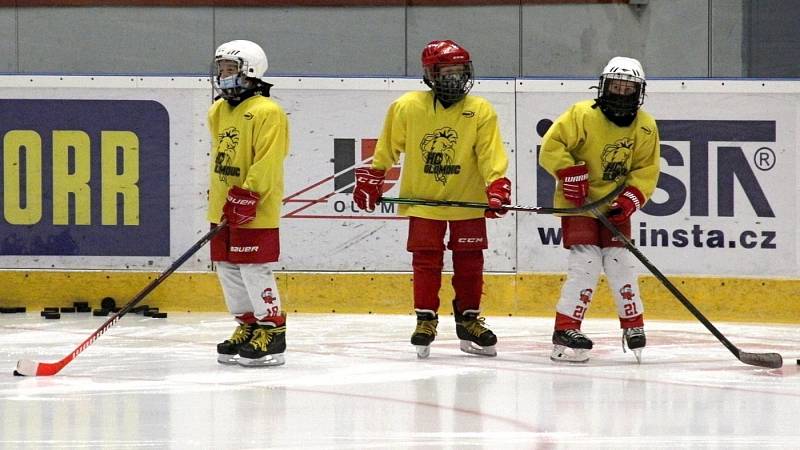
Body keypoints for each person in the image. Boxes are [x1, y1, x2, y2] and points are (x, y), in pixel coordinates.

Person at [353, 39, 512, 359]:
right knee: (426, 260)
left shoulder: (480, 110)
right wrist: (375, 175)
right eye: (447, 71)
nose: (454, 78)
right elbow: (387, 147)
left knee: (470, 261)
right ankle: (425, 318)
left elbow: (489, 154)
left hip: (466, 201)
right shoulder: (408, 107)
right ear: (431, 75)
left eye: (459, 71)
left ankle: (469, 319)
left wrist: (497, 184)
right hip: (423, 200)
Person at [538, 56, 660, 363]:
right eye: (615, 87)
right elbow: (552, 147)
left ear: (638, 92)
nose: (620, 93)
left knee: (621, 262)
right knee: (586, 264)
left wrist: (633, 197)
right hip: (578, 206)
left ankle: (633, 324)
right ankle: (565, 329)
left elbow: (646, 168)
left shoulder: (645, 126)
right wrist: (568, 172)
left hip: (615, 207)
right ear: (603, 87)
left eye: (627, 88)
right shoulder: (581, 115)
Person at [207, 40, 290, 367]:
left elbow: (269, 160)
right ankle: (248, 324)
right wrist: (222, 201)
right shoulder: (218, 109)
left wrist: (248, 195)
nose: (224, 76)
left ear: (250, 71)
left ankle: (273, 330)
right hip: (221, 208)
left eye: (230, 69)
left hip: (254, 208)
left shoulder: (268, 112)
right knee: (227, 268)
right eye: (222, 69)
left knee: (254, 268)